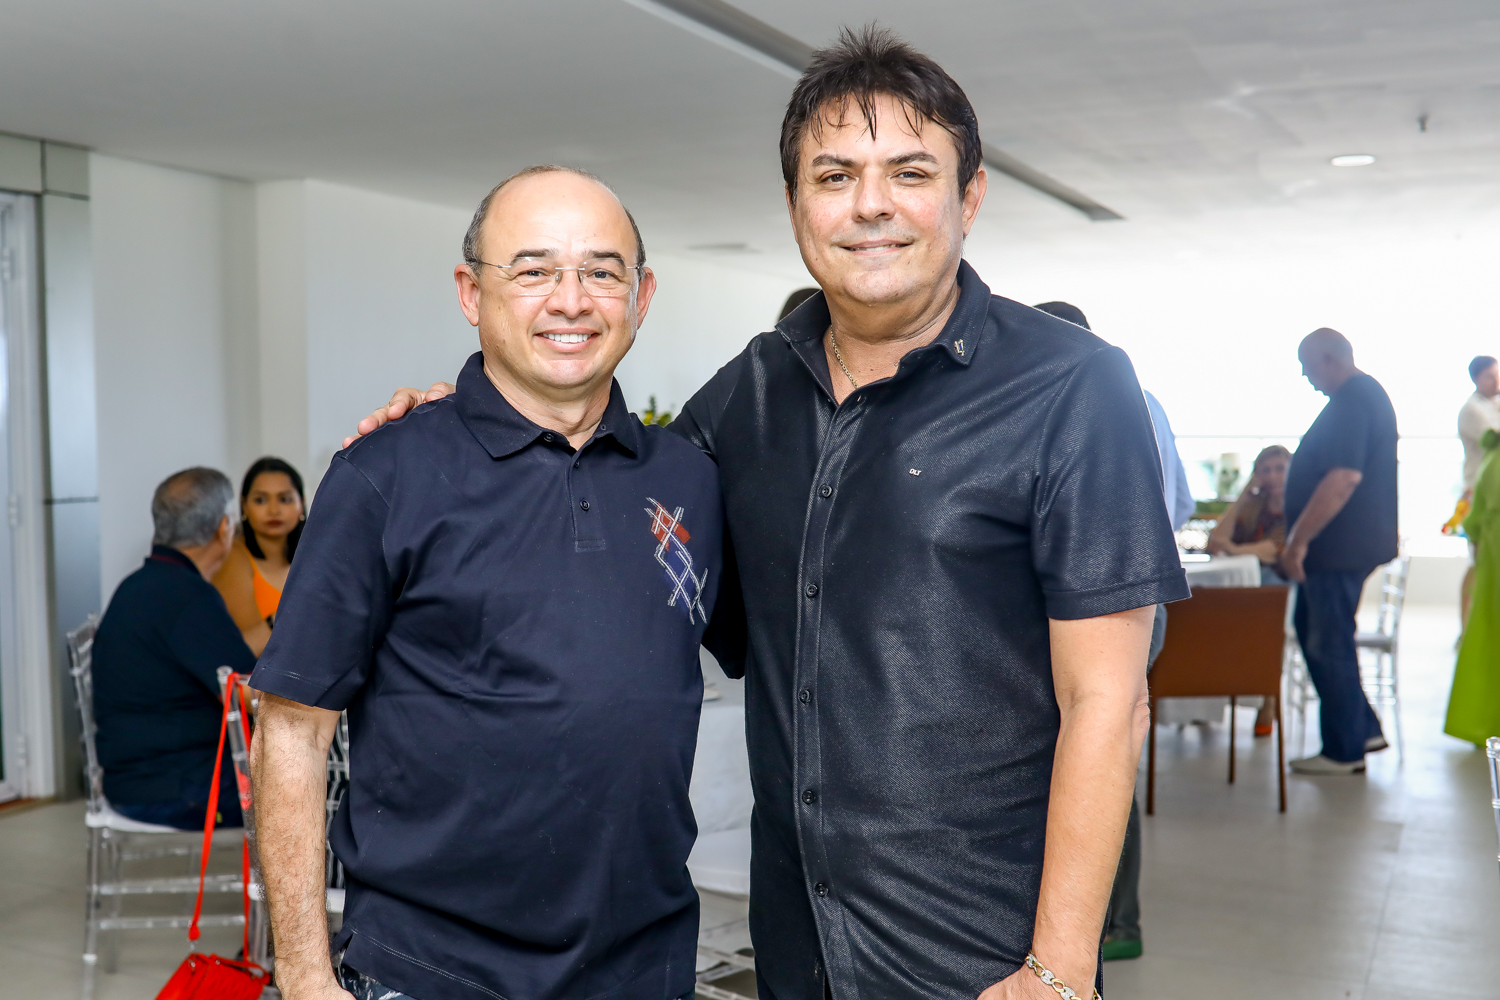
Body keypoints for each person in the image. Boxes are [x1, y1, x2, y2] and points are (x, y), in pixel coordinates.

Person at [361, 29, 1188, 1000]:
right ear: (797, 205)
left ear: (969, 197)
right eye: (834, 176)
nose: (870, 204)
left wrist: (1057, 967)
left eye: (910, 172)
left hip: (980, 956)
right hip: (795, 950)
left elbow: (1109, 701)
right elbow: (590, 478)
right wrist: (457, 424)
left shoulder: (1074, 388)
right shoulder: (747, 396)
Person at [250, 166, 728, 1000]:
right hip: (432, 970)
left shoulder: (689, 478)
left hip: (643, 966)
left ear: (642, 296)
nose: (571, 301)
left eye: (602, 271)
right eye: (533, 270)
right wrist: (303, 975)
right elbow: (292, 730)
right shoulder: (383, 475)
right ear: (472, 293)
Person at [1031, 299, 1186, 963]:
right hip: (1144, 601)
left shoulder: (1060, 403)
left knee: (1094, 748)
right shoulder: (1146, 403)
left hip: (1096, 605)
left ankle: (1105, 925)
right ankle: (1112, 921)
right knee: (1105, 742)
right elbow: (1179, 506)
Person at [92, 468, 255, 829]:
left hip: (133, 780)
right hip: (176, 789)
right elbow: (249, 692)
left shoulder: (137, 586)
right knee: (317, 785)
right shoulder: (188, 597)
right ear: (224, 528)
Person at [1282, 328, 1398, 775]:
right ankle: (1361, 729)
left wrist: (1298, 540)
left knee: (1327, 640)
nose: (1305, 376)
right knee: (1317, 630)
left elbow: (1342, 478)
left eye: (1307, 366)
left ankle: (1344, 750)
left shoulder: (1353, 400)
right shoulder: (1358, 398)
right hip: (1340, 548)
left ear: (1330, 359)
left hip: (1337, 549)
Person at [212, 457, 306, 655]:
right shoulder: (234, 556)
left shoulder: (316, 553)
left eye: (285, 499)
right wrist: (292, 616)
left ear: (302, 503)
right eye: (260, 500)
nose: (273, 510)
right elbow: (246, 647)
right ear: (244, 506)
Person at [1445, 428, 1500, 745]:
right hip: (1492, 556)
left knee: (1489, 640)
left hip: (1492, 558)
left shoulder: (1492, 456)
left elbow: (1474, 517)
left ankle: (1485, 720)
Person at [1207, 444, 1291, 583]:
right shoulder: (1252, 507)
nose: (1272, 476)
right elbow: (1217, 540)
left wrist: (1232, 550)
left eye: (1280, 469)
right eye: (1266, 470)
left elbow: (1273, 550)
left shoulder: (1298, 508)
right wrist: (1242, 497)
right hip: (1242, 574)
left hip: (1278, 578)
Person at [1458, 355, 1499, 627]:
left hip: (1492, 495)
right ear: (1475, 379)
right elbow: (1493, 439)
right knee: (1478, 563)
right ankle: (1466, 628)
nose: (1496, 382)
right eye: (1489, 377)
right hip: (1477, 495)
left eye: (1497, 375)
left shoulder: (1493, 404)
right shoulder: (1472, 411)